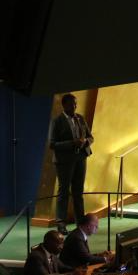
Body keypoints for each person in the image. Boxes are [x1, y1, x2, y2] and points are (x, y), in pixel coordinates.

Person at [50, 94, 93, 231]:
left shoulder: (80, 118)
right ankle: (61, 223)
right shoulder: (57, 121)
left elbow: (90, 137)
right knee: (64, 191)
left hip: (81, 158)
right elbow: (52, 144)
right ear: (64, 105)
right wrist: (72, 143)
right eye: (71, 104)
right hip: (64, 161)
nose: (74, 106)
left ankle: (80, 222)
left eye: (75, 104)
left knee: (78, 192)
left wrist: (85, 141)